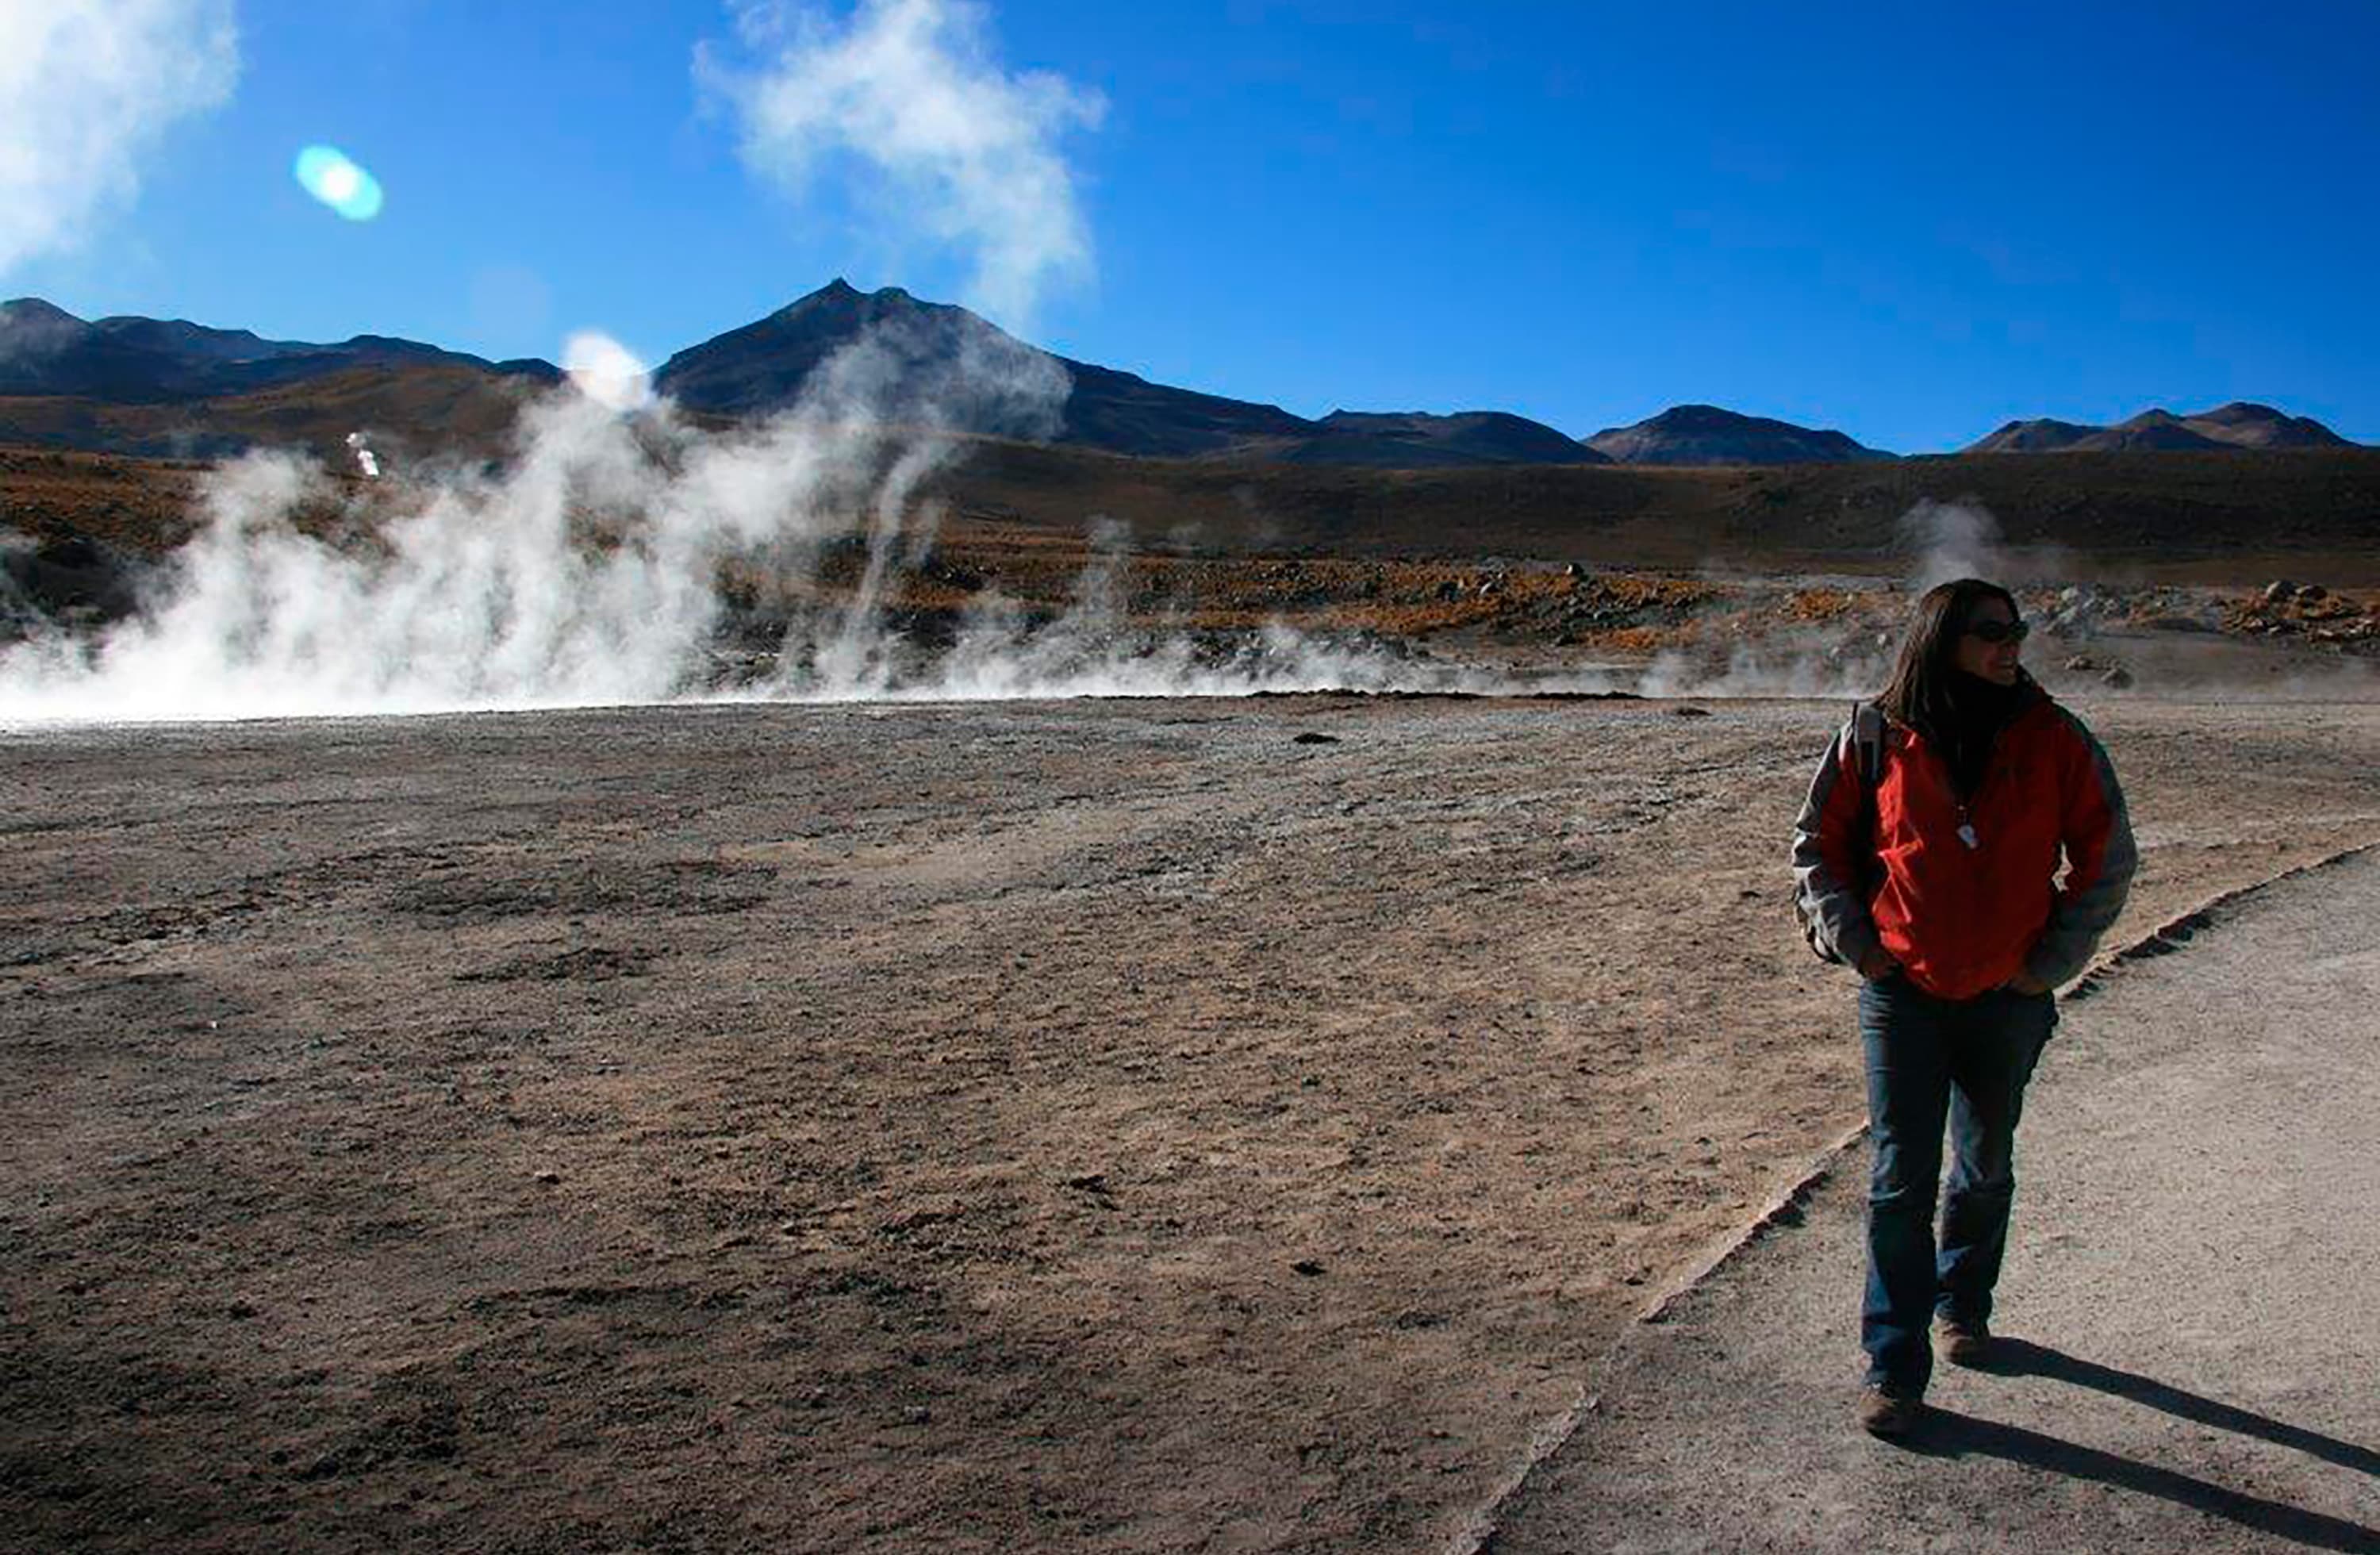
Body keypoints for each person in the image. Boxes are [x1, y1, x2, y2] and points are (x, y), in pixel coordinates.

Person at [1791, 578, 2136, 1438]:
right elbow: (1818, 848)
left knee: (1983, 1164)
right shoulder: (1874, 734)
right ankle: (1893, 1368)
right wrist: (1860, 945)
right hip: (1902, 995)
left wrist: (2051, 960)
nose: (2011, 642)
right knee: (1898, 1179)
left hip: (2006, 997)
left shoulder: (2053, 736)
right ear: (1942, 639)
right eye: (1992, 630)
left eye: (2017, 628)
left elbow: (2107, 855)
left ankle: (1963, 1307)